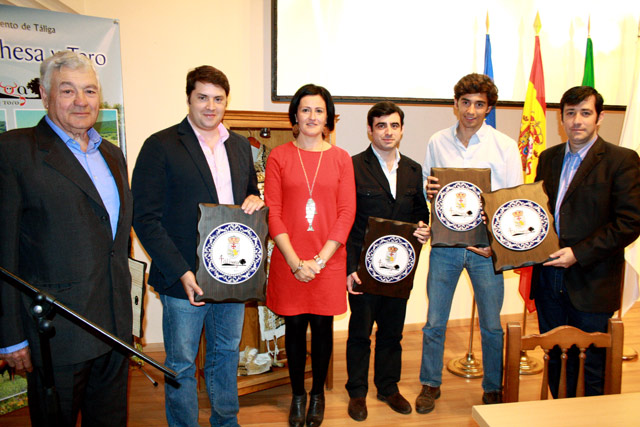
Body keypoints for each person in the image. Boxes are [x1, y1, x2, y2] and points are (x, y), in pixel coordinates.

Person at [0, 51, 133, 426]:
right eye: (68, 91)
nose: (81, 101)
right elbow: (3, 254)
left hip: (113, 328)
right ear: (44, 95)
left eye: (89, 91)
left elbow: (114, 243)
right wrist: (11, 337)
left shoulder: (113, 154)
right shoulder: (13, 152)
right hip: (57, 334)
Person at [131, 65, 264, 427]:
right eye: (202, 97)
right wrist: (181, 271)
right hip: (183, 278)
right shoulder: (160, 145)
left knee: (225, 354)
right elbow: (144, 217)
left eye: (218, 99)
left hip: (231, 277)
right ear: (189, 97)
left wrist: (254, 198)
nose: (210, 106)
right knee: (182, 364)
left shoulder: (238, 146)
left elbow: (247, 194)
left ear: (226, 101)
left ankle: (225, 421)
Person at [417, 73, 523, 412]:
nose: (471, 111)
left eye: (479, 104)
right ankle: (430, 383)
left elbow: (512, 202)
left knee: (492, 325)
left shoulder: (504, 146)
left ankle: (493, 386)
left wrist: (498, 245)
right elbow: (428, 188)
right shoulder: (437, 141)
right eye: (465, 103)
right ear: (455, 104)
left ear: (488, 108)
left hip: (485, 249)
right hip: (445, 246)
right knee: (435, 320)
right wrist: (429, 190)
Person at [532, 86, 640, 397]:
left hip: (592, 280)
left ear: (599, 117)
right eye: (570, 113)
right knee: (554, 357)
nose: (577, 120)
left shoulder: (621, 160)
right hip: (549, 275)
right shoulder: (548, 157)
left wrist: (578, 254)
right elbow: (540, 214)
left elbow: (629, 223)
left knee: (592, 364)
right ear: (561, 118)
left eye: (585, 113)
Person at [264, 84, 356, 427]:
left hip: (328, 260)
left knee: (322, 328)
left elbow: (346, 213)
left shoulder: (341, 158)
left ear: (328, 118)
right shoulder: (279, 156)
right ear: (295, 116)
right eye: (305, 109)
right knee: (294, 327)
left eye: (319, 110)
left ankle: (317, 394)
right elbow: (273, 212)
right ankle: (298, 395)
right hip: (290, 260)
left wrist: (318, 261)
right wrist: (293, 261)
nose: (312, 117)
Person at [345, 101, 430, 421]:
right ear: (370, 130)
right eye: (381, 125)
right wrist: (350, 269)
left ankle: (388, 387)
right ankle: (356, 392)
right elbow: (348, 222)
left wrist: (424, 230)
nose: (388, 131)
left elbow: (420, 215)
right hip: (364, 272)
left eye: (394, 125)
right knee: (360, 333)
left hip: (399, 270)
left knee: (393, 333)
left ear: (402, 129)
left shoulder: (412, 169)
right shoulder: (353, 166)